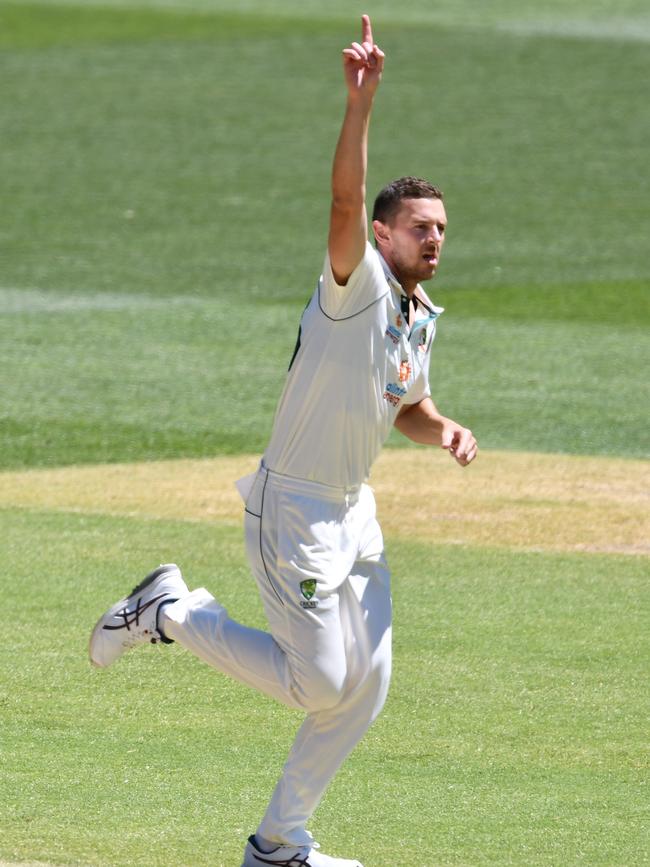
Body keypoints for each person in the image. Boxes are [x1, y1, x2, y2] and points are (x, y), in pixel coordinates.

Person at [89, 14, 477, 867]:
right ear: (381, 235)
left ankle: (278, 843)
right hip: (294, 505)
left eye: (442, 226)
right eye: (421, 226)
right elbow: (342, 198)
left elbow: (404, 401)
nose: (435, 237)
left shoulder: (418, 316)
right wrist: (360, 105)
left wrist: (439, 424)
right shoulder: (357, 286)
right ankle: (173, 612)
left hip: (354, 512)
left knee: (367, 687)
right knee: (322, 683)